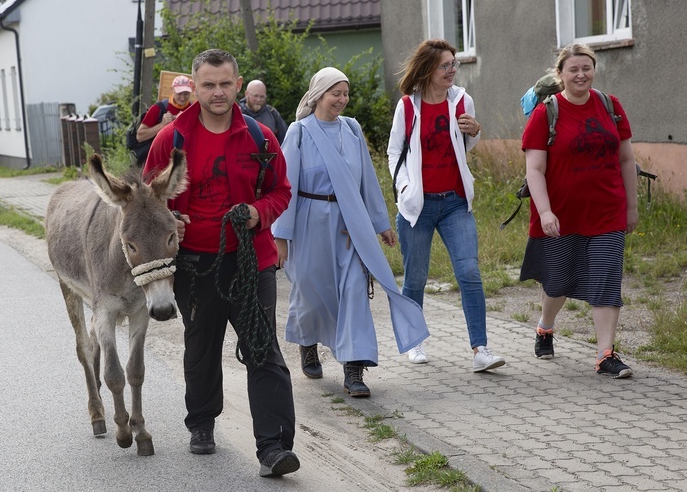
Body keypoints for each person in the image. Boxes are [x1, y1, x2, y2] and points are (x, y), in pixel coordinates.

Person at [142, 49, 300, 477]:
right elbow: (147, 204)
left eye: (224, 84)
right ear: (193, 86)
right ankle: (202, 422)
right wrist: (168, 219)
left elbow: (281, 191)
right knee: (202, 347)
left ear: (237, 83)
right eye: (208, 84)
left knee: (262, 350)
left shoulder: (260, 138)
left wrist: (257, 213)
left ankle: (273, 447)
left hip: (252, 264)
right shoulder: (169, 140)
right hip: (194, 267)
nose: (217, 92)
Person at [272, 67, 429, 398]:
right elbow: (286, 186)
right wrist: (281, 236)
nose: (342, 100)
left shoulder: (353, 129)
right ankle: (307, 342)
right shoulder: (299, 133)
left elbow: (367, 182)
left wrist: (381, 223)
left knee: (355, 292)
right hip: (309, 222)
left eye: (345, 93)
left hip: (350, 225)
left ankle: (354, 369)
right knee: (310, 291)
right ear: (318, 95)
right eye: (336, 93)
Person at [519, 43, 638, 379]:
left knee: (606, 281)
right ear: (561, 75)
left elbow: (627, 159)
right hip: (561, 214)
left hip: (607, 212)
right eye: (573, 69)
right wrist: (544, 212)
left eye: (586, 68)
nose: (581, 74)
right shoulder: (548, 112)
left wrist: (631, 207)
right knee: (557, 282)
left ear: (594, 69)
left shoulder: (609, 105)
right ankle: (545, 328)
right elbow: (535, 169)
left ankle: (605, 355)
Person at [386, 39, 506, 372]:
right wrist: (405, 186)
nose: (452, 71)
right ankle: (414, 341)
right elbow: (394, 152)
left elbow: (466, 143)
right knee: (416, 278)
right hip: (418, 207)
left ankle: (480, 349)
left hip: (454, 202)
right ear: (427, 69)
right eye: (445, 66)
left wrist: (476, 130)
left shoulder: (462, 100)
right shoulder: (408, 107)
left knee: (469, 272)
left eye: (454, 64)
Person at [134, 75, 194, 166]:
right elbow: (140, 136)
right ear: (172, 90)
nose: (182, 98)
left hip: (184, 159)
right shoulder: (158, 108)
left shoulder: (193, 109)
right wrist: (162, 124)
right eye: (179, 93)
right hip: (159, 159)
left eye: (186, 94)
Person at [239, 79, 289, 144]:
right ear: (246, 94)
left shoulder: (272, 113)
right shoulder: (237, 112)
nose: (258, 99)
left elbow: (285, 140)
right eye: (255, 96)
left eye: (262, 97)